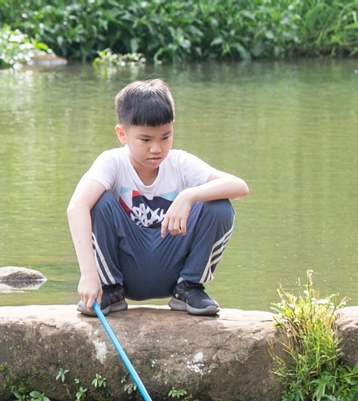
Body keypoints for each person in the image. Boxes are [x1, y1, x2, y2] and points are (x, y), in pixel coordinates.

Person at [67, 78, 249, 317]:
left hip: (171, 263)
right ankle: (110, 289)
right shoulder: (111, 163)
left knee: (219, 206)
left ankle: (190, 287)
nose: (157, 148)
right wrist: (89, 275)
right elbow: (77, 206)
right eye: (145, 140)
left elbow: (240, 186)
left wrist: (188, 195)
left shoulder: (180, 163)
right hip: (126, 267)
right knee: (98, 202)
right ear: (122, 134)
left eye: (165, 137)